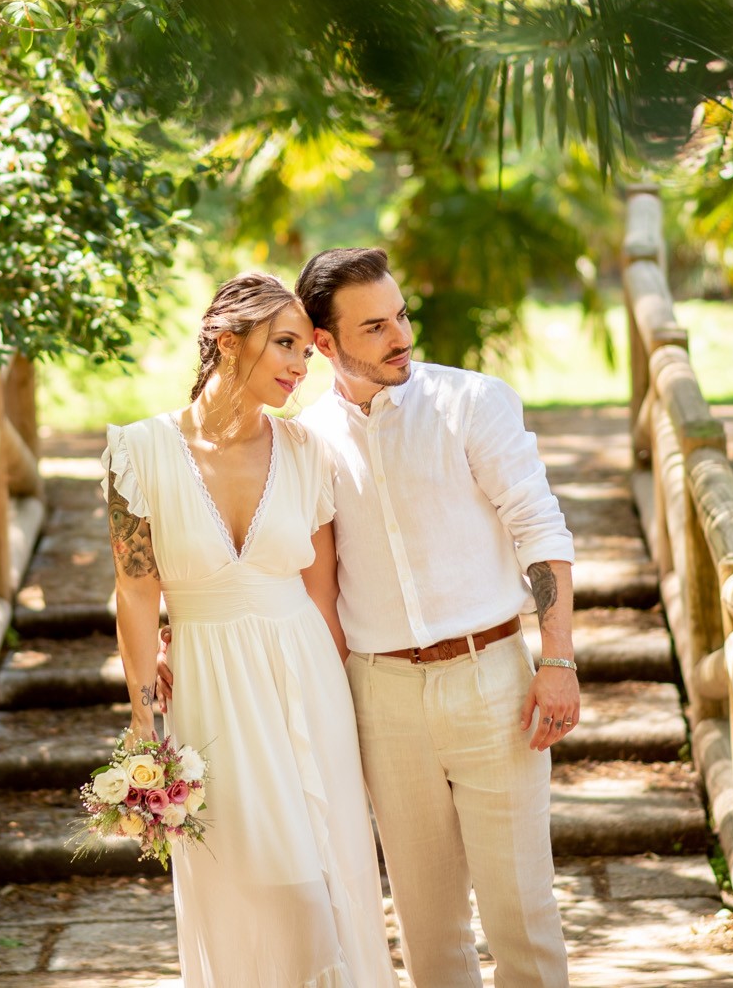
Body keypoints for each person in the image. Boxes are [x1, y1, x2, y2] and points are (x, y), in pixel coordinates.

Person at [295, 246, 580, 988]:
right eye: (374, 327)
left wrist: (557, 659)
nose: (401, 337)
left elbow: (540, 527)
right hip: (381, 694)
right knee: (428, 930)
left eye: (402, 315)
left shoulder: (472, 403)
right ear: (324, 343)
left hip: (493, 682)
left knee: (521, 914)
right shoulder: (305, 441)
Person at [103, 271, 395, 987]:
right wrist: (145, 723)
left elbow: (324, 598)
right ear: (227, 342)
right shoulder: (137, 455)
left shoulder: (307, 451)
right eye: (285, 344)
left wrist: (355, 710)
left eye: (305, 348)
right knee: (254, 883)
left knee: (325, 878)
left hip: (306, 676)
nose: (302, 364)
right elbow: (137, 595)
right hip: (210, 690)